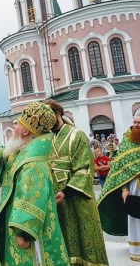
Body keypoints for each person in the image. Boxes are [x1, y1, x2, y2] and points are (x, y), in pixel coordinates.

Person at [0, 101, 69, 265]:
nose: (14, 128)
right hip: (19, 224)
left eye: (17, 124)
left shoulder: (32, 163)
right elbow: (7, 151)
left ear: (25, 131)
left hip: (30, 232)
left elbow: (31, 197)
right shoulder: (25, 150)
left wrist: (22, 232)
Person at [43, 99, 108, 266]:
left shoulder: (76, 135)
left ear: (58, 113)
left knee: (84, 240)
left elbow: (85, 168)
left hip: (75, 198)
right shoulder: (45, 139)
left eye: (48, 115)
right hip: (54, 198)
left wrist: (66, 192)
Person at [98, 115, 140, 262]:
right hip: (134, 184)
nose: (136, 125)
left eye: (139, 123)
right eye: (134, 122)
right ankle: (137, 249)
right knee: (135, 216)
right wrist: (124, 189)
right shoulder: (127, 141)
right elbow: (121, 167)